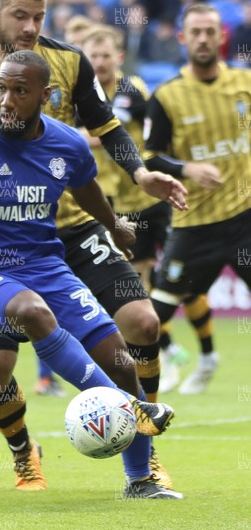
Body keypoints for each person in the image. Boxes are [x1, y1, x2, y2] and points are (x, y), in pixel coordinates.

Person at [0, 0, 188, 494]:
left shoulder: (67, 123)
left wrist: (117, 220)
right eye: (21, 15)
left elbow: (90, 173)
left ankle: (141, 476)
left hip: (58, 247)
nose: (7, 101)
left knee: (132, 342)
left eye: (39, 16)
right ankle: (63, 438)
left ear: (45, 94)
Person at [80, 24, 210, 394]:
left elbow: (129, 134)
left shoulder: (131, 89)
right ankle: (168, 353)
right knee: (139, 285)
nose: (101, 62)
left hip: (151, 199)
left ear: (117, 57)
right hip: (116, 206)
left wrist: (85, 138)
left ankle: (203, 352)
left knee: (177, 280)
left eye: (106, 55)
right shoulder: (80, 97)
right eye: (94, 56)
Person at [144, 2, 251, 394]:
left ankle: (206, 360)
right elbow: (151, 155)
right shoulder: (168, 96)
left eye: (210, 31)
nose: (204, 38)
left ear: (222, 36)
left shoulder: (245, 84)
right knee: (150, 319)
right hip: (194, 225)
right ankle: (139, 408)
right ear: (182, 38)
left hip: (245, 218)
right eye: (196, 32)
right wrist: (187, 169)